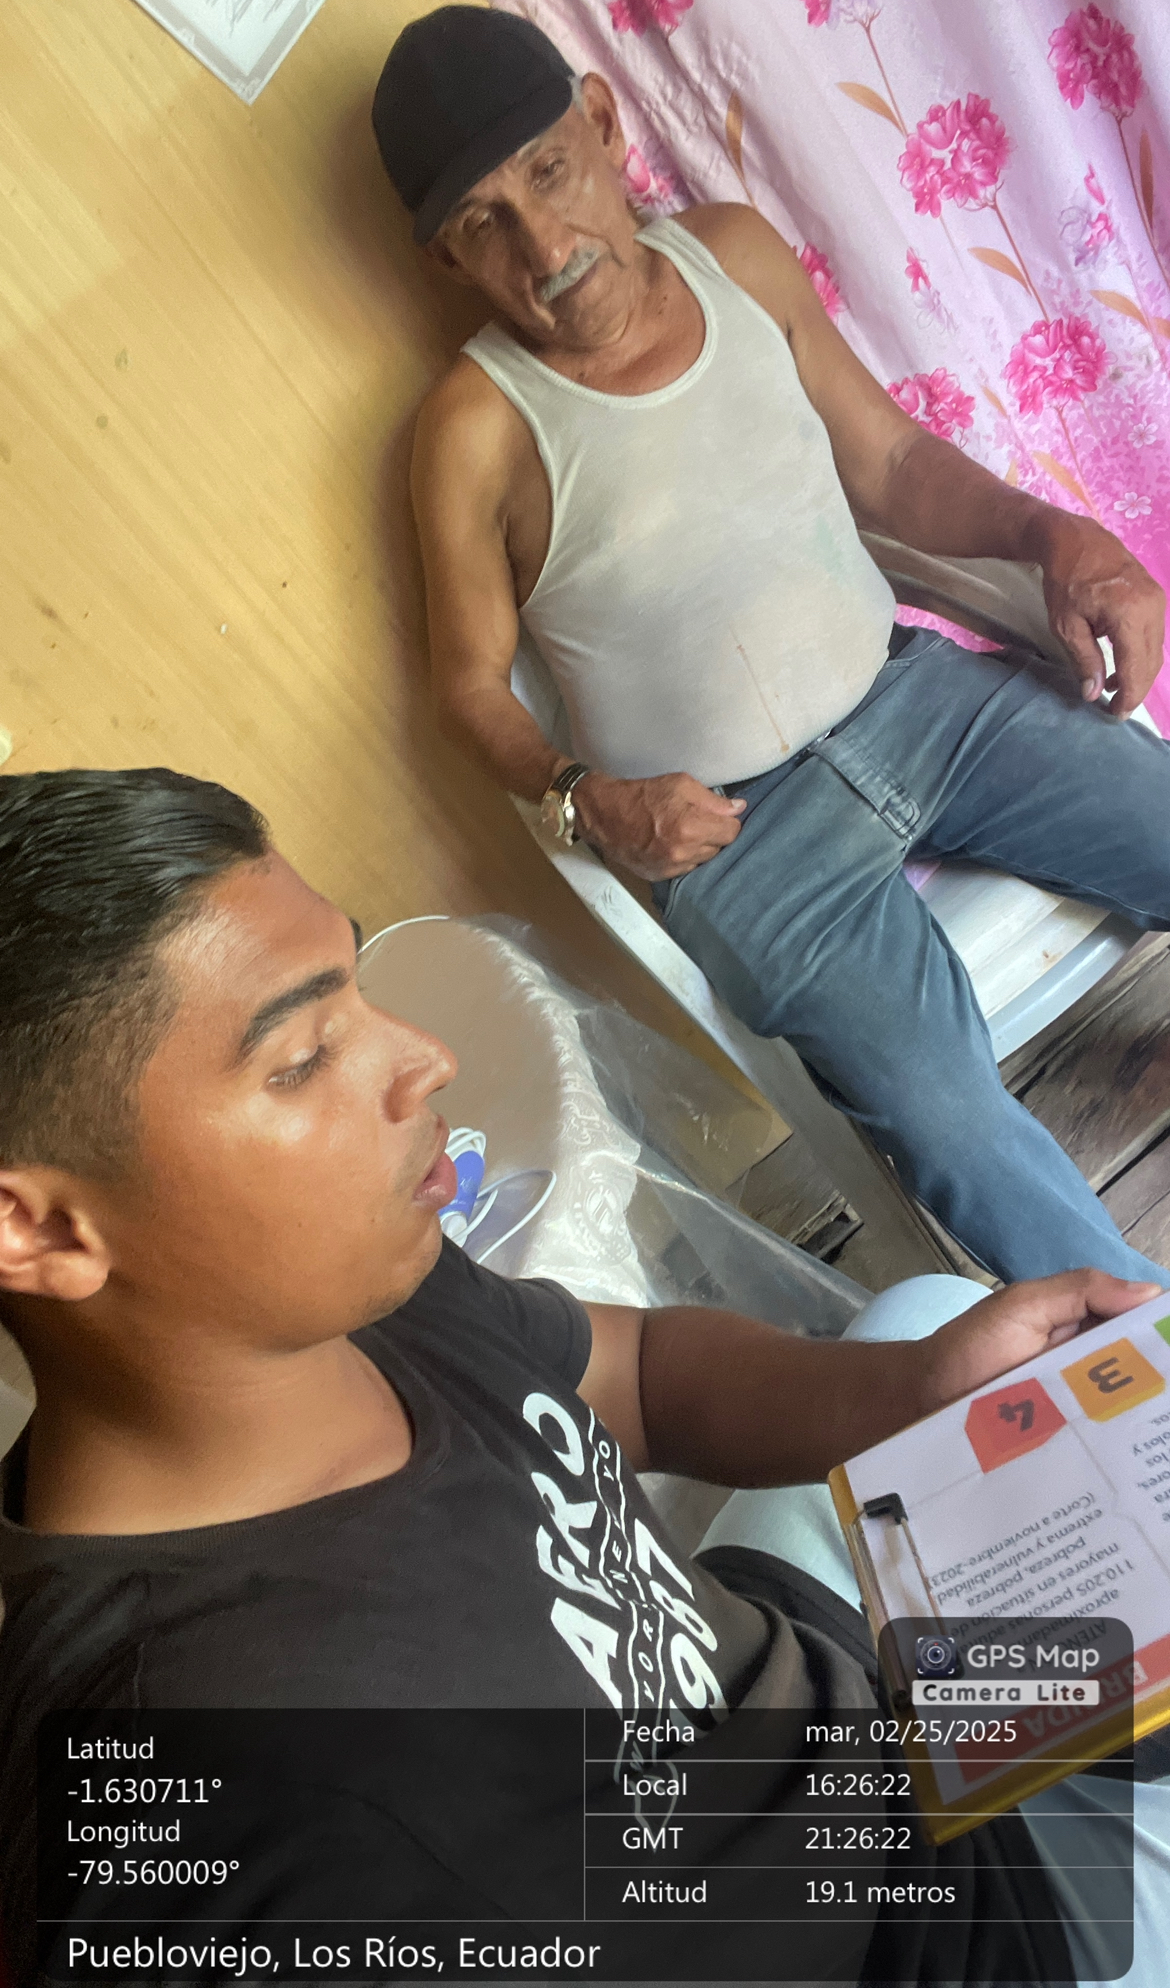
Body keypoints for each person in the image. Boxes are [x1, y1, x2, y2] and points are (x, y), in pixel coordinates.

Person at [1, 767, 1167, 1988]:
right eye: (302, 1056)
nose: (425, 1056)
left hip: (795, 1700)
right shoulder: (228, 1824)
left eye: (356, 987)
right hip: (938, 1935)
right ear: (37, 1230)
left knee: (942, 1315)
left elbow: (639, 1374)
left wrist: (914, 1394)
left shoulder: (334, 1300)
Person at [378, 5, 1170, 1289]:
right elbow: (466, 686)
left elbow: (893, 465)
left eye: (549, 170)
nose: (545, 246)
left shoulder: (732, 257)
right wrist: (584, 797)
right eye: (484, 223)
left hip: (916, 700)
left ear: (603, 121)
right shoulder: (472, 430)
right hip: (742, 840)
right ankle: (1145, 1364)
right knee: (947, 1118)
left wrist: (1057, 533)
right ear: (447, 259)